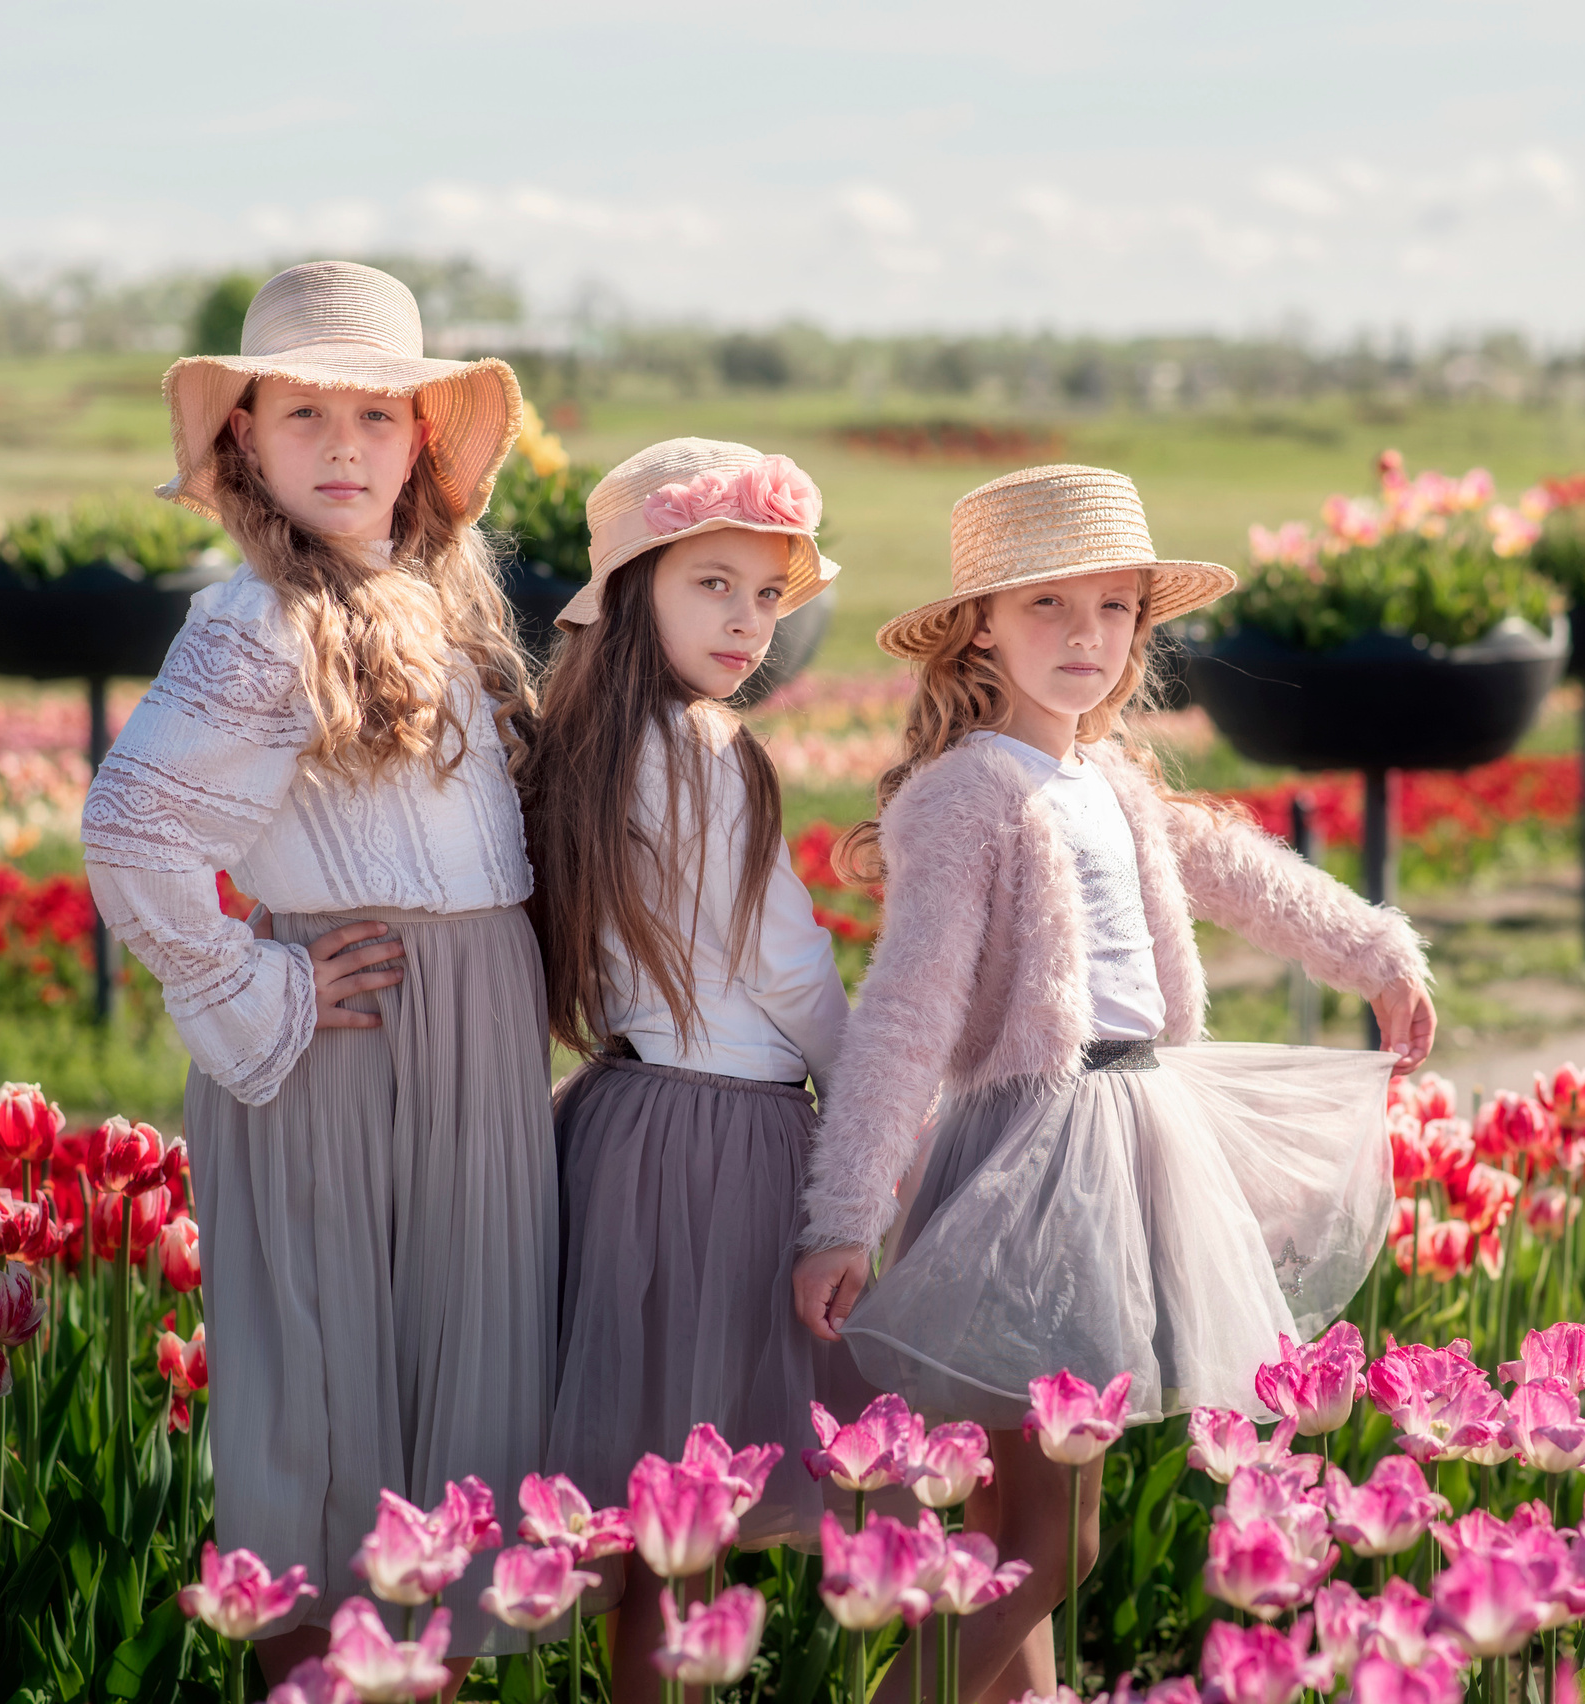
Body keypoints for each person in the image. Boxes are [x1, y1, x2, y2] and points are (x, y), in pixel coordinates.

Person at [792, 464, 1433, 1704]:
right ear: (981, 620)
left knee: (1002, 1532)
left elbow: (1246, 876)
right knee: (1055, 1542)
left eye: (1112, 610)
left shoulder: (1112, 781)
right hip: (1033, 1164)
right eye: (1047, 607)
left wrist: (1378, 953)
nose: (1084, 639)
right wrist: (844, 1215)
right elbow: (908, 1014)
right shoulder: (967, 793)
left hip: (1137, 1138)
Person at [81, 260, 549, 1693]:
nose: (344, 446)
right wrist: (261, 991)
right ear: (246, 444)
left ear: (421, 442)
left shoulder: (425, 604)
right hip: (354, 1035)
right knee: (336, 1404)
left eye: (378, 414)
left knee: (457, 1414)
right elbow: (135, 831)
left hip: (471, 1039)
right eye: (303, 415)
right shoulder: (255, 625)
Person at [522, 438, 848, 1704]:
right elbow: (788, 968)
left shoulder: (579, 748)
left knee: (651, 1517)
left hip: (618, 1121)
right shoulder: (711, 751)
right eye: (713, 583)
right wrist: (883, 1116)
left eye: (766, 595)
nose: (748, 622)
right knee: (696, 1503)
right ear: (632, 586)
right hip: (729, 1144)